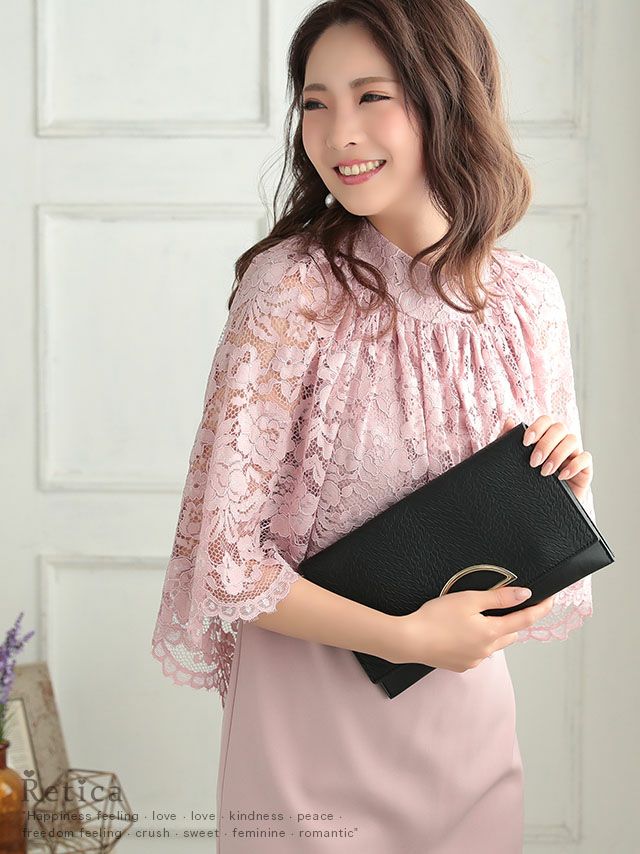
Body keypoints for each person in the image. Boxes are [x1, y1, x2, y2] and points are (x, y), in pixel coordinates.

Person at [151, 1, 597, 851]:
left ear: (445, 98)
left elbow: (539, 570)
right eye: (316, 103)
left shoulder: (527, 298)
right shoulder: (291, 288)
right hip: (307, 727)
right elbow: (227, 560)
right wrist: (404, 636)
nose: (338, 134)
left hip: (464, 720)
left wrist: (563, 485)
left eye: (371, 96)